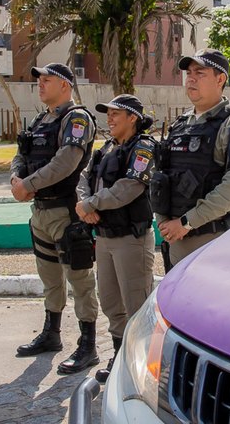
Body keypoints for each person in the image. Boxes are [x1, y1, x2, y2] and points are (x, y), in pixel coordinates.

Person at [10, 63, 100, 375]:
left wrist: (28, 185)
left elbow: (66, 162)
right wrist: (15, 180)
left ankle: (88, 345)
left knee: (79, 278)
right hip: (40, 212)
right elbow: (21, 153)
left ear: (65, 85)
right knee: (49, 276)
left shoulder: (77, 118)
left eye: (47, 80)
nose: (40, 85)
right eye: (39, 80)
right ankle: (52, 334)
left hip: (66, 210)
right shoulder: (41, 119)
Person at [151, 49, 230, 269]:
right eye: (189, 73)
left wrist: (186, 223)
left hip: (214, 241)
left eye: (200, 73)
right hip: (176, 239)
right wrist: (163, 221)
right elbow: (162, 177)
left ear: (220, 79)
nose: (191, 78)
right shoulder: (180, 125)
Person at [75, 94, 156, 384]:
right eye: (107, 114)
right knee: (110, 302)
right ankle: (120, 355)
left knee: (135, 302)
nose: (109, 119)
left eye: (115, 114)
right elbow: (84, 177)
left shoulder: (143, 147)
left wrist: (92, 204)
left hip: (130, 239)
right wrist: (84, 205)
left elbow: (129, 187)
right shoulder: (106, 147)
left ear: (132, 117)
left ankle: (141, 364)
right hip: (105, 237)